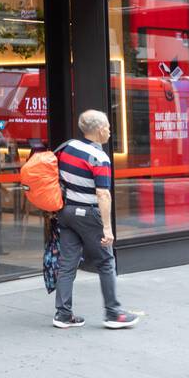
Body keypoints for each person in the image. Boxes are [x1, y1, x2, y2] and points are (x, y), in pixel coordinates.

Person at [52, 109, 140, 330]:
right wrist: (107, 228)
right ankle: (113, 313)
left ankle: (63, 315)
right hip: (89, 215)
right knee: (106, 262)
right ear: (100, 130)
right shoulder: (99, 158)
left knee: (67, 264)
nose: (110, 131)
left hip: (67, 212)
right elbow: (103, 194)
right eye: (109, 127)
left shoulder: (68, 147)